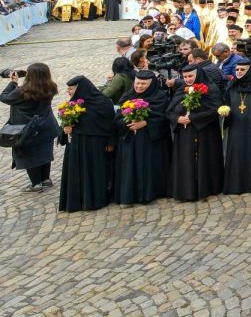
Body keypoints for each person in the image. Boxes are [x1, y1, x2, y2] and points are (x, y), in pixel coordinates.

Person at [57, 75, 116, 212]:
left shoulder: (102, 103)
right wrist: (65, 130)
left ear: (80, 88)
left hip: (95, 146)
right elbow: (64, 125)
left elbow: (110, 125)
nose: (69, 92)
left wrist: (111, 141)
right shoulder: (73, 105)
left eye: (71, 89)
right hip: (76, 146)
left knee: (94, 173)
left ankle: (95, 200)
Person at [113, 69, 172, 204]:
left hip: (150, 142)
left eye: (143, 84)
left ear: (151, 84)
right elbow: (117, 119)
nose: (139, 87)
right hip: (129, 140)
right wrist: (127, 122)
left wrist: (146, 122)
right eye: (137, 83)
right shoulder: (127, 96)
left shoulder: (160, 97)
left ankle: (150, 193)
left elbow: (164, 118)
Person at [166, 64, 224, 201]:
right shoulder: (181, 89)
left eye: (190, 76)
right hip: (184, 133)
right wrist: (177, 118)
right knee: (186, 160)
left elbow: (214, 109)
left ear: (197, 74)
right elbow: (169, 111)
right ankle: (187, 190)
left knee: (205, 159)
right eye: (185, 77)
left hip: (205, 132)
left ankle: (207, 187)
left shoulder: (210, 88)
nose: (188, 79)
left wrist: (192, 118)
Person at [1, 64, 59, 192]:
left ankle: (35, 184)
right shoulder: (51, 87)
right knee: (44, 151)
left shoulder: (23, 91)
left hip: (27, 128)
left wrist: (13, 83)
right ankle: (45, 179)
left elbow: (4, 97)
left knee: (29, 155)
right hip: (45, 125)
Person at [223, 61, 251, 195]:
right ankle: (235, 185)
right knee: (236, 154)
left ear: (250, 71)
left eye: (243, 69)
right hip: (235, 128)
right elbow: (226, 103)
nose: (239, 72)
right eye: (237, 69)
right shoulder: (232, 87)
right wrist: (225, 113)